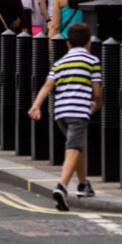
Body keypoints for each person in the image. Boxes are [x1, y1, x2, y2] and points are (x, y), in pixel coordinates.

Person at [29, 20, 101, 208]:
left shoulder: (60, 63)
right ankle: (61, 187)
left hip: (60, 112)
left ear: (68, 44)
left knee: (78, 146)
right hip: (78, 111)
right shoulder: (92, 61)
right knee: (73, 148)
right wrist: (96, 103)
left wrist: (36, 105)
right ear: (89, 42)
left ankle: (83, 184)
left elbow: (48, 85)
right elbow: (97, 92)